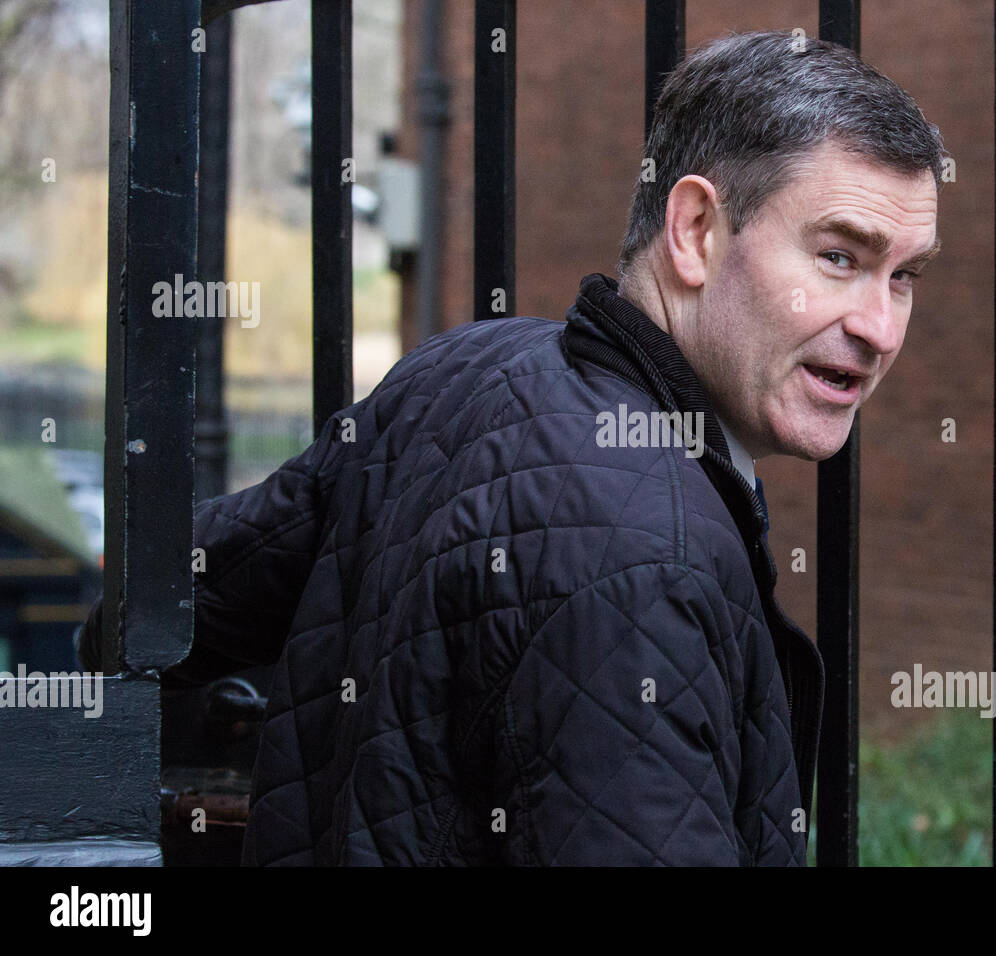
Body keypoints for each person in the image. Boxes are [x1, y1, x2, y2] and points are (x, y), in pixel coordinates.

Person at [80, 29, 944, 865]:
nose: (878, 327)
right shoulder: (647, 558)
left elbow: (161, 605)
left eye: (902, 275)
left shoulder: (460, 371)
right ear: (693, 231)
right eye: (839, 256)